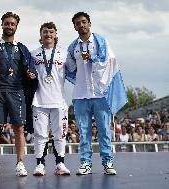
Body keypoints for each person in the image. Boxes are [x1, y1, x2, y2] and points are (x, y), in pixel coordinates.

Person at [66, 12, 127, 175]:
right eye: (77, 23)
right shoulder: (73, 47)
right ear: (74, 26)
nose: (81, 25)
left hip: (100, 94)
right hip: (80, 95)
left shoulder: (101, 42)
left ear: (89, 23)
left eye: (84, 22)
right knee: (83, 132)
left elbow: (111, 62)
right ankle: (85, 163)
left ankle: (108, 163)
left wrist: (93, 58)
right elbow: (69, 68)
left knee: (104, 131)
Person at [0, 12, 36, 177]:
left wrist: (30, 73)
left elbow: (30, 68)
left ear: (16, 26)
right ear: (2, 25)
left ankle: (20, 163)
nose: (9, 26)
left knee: (19, 129)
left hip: (17, 91)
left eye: (12, 24)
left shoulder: (21, 47)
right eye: (7, 23)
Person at [30, 22, 70, 176]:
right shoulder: (33, 54)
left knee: (60, 134)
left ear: (55, 35)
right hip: (39, 101)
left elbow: (74, 70)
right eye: (45, 32)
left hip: (59, 101)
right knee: (40, 135)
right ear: (40, 35)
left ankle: (60, 163)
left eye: (51, 32)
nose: (48, 34)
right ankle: (40, 164)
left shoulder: (64, 54)